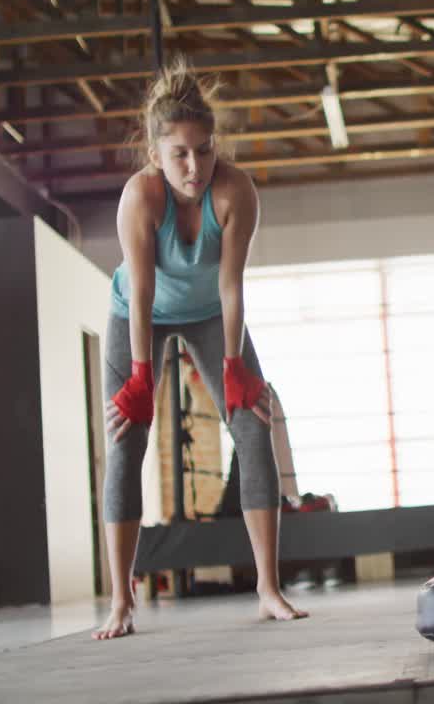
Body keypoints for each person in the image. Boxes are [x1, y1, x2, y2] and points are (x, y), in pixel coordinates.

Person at [94, 57, 307, 639]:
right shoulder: (140, 198)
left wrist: (235, 368)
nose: (195, 166)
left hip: (213, 316)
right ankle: (121, 601)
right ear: (157, 157)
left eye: (205, 150)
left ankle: (268, 587)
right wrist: (141, 378)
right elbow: (140, 295)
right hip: (139, 315)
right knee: (125, 439)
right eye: (180, 154)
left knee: (253, 424)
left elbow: (231, 286)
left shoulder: (235, 191)